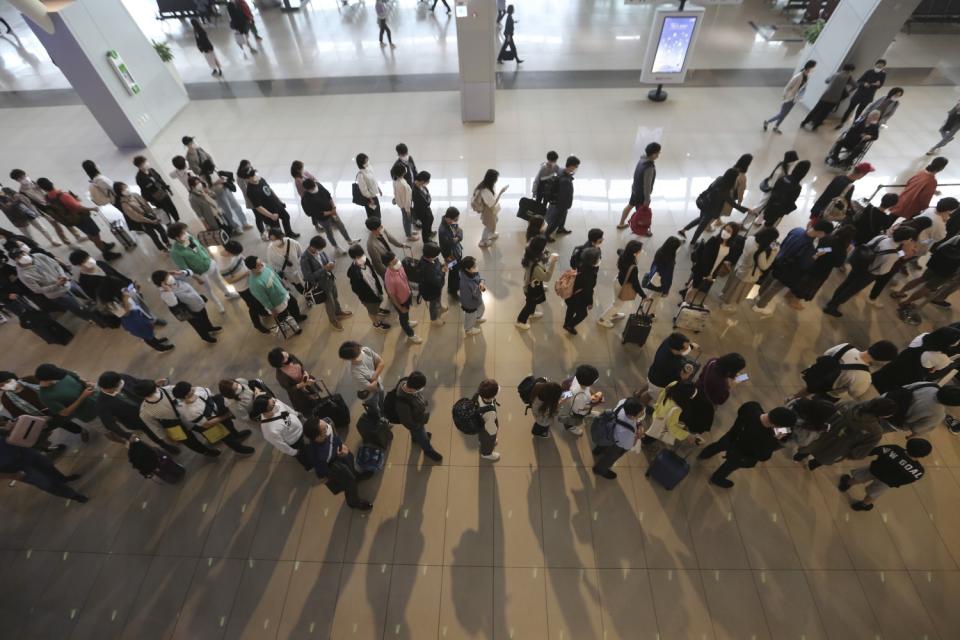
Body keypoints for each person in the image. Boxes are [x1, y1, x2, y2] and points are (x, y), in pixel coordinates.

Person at [823, 225, 918, 316]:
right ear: (907, 240)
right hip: (868, 274)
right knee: (850, 291)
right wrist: (904, 256)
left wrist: (901, 255)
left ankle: (832, 301)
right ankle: (832, 307)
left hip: (859, 265)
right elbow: (883, 271)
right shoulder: (893, 255)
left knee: (846, 284)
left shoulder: (882, 237)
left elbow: (869, 246)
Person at [698, 402, 797, 488]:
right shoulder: (768, 439)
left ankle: (705, 453)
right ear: (777, 426)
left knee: (718, 445)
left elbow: (740, 411)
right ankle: (717, 478)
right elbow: (763, 456)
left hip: (732, 436)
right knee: (729, 466)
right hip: (740, 454)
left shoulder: (753, 406)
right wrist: (776, 438)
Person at [753, 220, 833, 315]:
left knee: (769, 280)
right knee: (774, 288)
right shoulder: (809, 247)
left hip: (778, 260)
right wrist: (816, 256)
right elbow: (805, 265)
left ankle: (759, 296)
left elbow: (783, 243)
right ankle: (759, 305)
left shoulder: (797, 230)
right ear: (821, 233)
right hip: (788, 271)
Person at [799, 398, 898, 471]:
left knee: (812, 445)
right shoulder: (876, 431)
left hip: (826, 431)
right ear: (884, 415)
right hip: (838, 449)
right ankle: (810, 466)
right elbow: (862, 450)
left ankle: (798, 456)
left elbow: (834, 411)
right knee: (822, 458)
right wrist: (851, 455)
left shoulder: (852, 404)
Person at [36, 178, 121, 260]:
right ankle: (106, 253)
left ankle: (103, 245)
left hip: (73, 220)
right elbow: (78, 207)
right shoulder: (62, 195)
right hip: (81, 217)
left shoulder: (47, 197)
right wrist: (92, 208)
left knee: (89, 233)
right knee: (95, 235)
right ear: (51, 183)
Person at [96, 372, 180, 455]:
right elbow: (109, 423)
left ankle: (178, 436)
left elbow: (139, 382)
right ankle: (166, 446)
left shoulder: (122, 378)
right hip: (137, 420)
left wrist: (152, 383)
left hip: (149, 407)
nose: (122, 384)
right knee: (152, 433)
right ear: (109, 388)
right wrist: (127, 435)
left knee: (167, 423)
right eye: (118, 384)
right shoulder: (102, 402)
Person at [0, 371, 89, 449]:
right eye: (1, 385)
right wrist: (40, 419)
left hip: (57, 405)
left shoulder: (30, 379)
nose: (6, 385)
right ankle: (81, 430)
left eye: (7, 381)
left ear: (13, 378)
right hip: (44, 417)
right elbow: (18, 415)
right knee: (64, 424)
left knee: (72, 413)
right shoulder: (6, 399)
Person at [840, 438, 932, 511]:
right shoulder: (918, 470)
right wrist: (894, 483)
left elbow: (875, 450)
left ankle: (846, 484)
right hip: (886, 482)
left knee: (858, 478)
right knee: (873, 494)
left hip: (874, 469)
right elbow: (907, 480)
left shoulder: (894, 449)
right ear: (923, 456)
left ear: (908, 445)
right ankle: (863, 505)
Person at [303, 416, 372, 511]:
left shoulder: (326, 423)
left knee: (351, 465)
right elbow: (321, 471)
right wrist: (328, 478)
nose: (328, 427)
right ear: (318, 437)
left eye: (326, 425)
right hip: (334, 465)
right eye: (325, 429)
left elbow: (334, 435)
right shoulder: (316, 454)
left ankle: (356, 476)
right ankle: (353, 502)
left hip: (341, 453)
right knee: (349, 484)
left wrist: (342, 446)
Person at [167, 222, 237, 312]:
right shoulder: (175, 252)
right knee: (208, 290)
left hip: (209, 263)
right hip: (200, 273)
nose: (186, 233)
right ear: (176, 237)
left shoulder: (190, 238)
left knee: (219, 280)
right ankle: (218, 304)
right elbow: (184, 267)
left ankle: (228, 294)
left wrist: (210, 257)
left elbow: (200, 247)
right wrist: (196, 278)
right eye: (183, 232)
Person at [795, 340, 899, 401]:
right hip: (830, 394)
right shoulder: (864, 376)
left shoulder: (846, 346)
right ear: (882, 360)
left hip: (817, 375)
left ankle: (792, 400)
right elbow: (855, 394)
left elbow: (827, 353)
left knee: (809, 389)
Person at [170, 381, 255, 455]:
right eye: (190, 389)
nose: (194, 388)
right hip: (213, 423)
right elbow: (206, 424)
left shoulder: (198, 390)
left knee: (230, 425)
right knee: (227, 438)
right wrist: (225, 416)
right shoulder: (189, 411)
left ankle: (237, 435)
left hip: (218, 412)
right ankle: (238, 448)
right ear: (186, 395)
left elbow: (212, 396)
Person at [11, 245, 92, 319]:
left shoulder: (39, 256)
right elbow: (37, 289)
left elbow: (56, 265)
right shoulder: (23, 275)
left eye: (22, 253)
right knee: (76, 307)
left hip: (67, 283)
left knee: (86, 293)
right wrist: (57, 285)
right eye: (19, 257)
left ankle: (97, 307)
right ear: (15, 260)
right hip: (57, 294)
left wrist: (63, 275)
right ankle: (91, 319)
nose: (23, 257)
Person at [871, 329, 959, 394]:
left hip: (898, 363)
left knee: (883, 375)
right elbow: (934, 371)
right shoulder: (942, 358)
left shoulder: (923, 336)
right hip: (909, 376)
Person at [9, 169, 83, 245]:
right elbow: (30, 205)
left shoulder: (36, 183)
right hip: (45, 210)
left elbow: (49, 190)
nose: (23, 179)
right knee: (57, 226)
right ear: (17, 181)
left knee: (66, 220)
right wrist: (39, 213)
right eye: (20, 178)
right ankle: (67, 242)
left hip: (53, 203)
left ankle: (78, 236)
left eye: (23, 176)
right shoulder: (22, 192)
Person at [0, 438, 87, 502]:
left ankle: (63, 479)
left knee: (48, 467)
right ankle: (73, 496)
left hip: (23, 452)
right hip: (14, 467)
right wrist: (11, 475)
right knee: (45, 482)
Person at [679, 169, 751, 245]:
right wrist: (746, 209)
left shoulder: (719, 178)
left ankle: (683, 230)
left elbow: (709, 188)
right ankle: (693, 242)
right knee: (702, 226)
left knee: (700, 219)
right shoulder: (725, 191)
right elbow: (732, 204)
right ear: (732, 179)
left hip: (705, 203)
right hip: (711, 210)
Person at [151, 269, 222, 342]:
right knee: (198, 324)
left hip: (198, 302)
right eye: (167, 277)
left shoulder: (175, 279)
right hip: (190, 311)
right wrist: (168, 290)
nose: (170, 277)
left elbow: (190, 272)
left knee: (205, 316)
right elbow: (173, 303)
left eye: (168, 275)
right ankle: (205, 336)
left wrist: (180, 272)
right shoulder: (165, 293)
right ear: (162, 283)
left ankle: (209, 327)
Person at [794, 224, 856, 306]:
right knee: (808, 286)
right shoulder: (841, 250)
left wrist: (828, 250)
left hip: (813, 263)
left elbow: (820, 250)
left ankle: (791, 295)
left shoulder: (828, 237)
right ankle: (795, 301)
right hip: (822, 271)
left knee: (802, 281)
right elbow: (838, 264)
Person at [301, 235, 352, 331]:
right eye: (319, 248)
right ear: (313, 246)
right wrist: (324, 269)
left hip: (330, 279)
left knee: (335, 297)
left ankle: (339, 312)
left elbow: (326, 260)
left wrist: (331, 263)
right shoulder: (305, 259)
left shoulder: (319, 251)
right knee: (330, 303)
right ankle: (333, 321)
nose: (320, 251)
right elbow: (308, 277)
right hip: (321, 285)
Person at [216, 241, 269, 333]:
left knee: (259, 299)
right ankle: (257, 324)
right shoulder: (222, 265)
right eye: (236, 254)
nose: (238, 255)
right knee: (253, 306)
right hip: (243, 288)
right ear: (228, 252)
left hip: (251, 281)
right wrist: (246, 273)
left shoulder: (235, 252)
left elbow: (243, 259)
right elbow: (229, 281)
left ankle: (263, 312)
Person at [721, 227, 779, 311]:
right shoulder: (760, 252)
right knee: (736, 292)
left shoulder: (750, 238)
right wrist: (773, 254)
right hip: (748, 275)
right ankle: (726, 305)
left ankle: (723, 295)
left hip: (739, 266)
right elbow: (764, 267)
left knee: (731, 285)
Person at [389, 371, 443, 462]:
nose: (421, 390)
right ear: (413, 388)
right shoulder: (402, 404)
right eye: (420, 388)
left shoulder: (406, 382)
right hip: (416, 422)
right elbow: (407, 421)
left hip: (416, 416)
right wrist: (417, 426)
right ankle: (428, 451)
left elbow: (416, 396)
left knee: (418, 433)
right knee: (424, 438)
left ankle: (415, 438)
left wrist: (422, 402)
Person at [249, 395, 311, 469]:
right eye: (272, 405)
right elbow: (280, 444)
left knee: (304, 447)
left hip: (299, 430)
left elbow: (286, 407)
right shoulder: (269, 429)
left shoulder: (274, 402)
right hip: (294, 441)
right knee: (303, 456)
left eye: (273, 401)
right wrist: (293, 452)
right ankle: (309, 466)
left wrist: (296, 414)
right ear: (265, 410)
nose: (276, 404)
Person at [245, 256, 307, 331]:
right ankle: (293, 329)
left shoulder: (264, 266)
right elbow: (263, 298)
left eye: (260, 261)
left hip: (284, 293)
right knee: (284, 318)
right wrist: (272, 310)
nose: (262, 264)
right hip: (277, 303)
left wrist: (283, 285)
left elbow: (275, 275)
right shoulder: (255, 283)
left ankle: (297, 317)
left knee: (293, 303)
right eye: (259, 264)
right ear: (252, 269)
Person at [34, 364, 98, 435]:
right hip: (89, 414)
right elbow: (65, 413)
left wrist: (87, 382)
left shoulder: (60, 373)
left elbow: (77, 378)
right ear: (47, 379)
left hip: (98, 399)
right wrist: (83, 396)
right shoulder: (45, 396)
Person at [683, 221, 742, 297]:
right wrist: (707, 274)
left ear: (733, 234)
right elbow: (705, 258)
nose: (725, 232)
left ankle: (685, 298)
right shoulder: (714, 240)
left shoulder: (731, 246)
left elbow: (726, 259)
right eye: (725, 229)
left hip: (713, 271)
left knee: (694, 285)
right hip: (702, 269)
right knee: (694, 290)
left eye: (729, 231)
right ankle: (686, 303)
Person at [591, 398, 646, 479]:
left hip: (608, 428)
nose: (643, 413)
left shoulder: (623, 402)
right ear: (632, 416)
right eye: (641, 412)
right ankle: (600, 470)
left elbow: (636, 420)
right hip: (616, 443)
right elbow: (627, 446)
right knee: (610, 457)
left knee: (604, 443)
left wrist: (639, 424)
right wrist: (638, 436)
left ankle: (597, 451)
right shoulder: (627, 433)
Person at [597, 239, 645, 327]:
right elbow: (635, 284)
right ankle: (602, 319)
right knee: (617, 305)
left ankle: (613, 314)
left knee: (616, 302)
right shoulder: (633, 267)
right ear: (635, 253)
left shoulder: (624, 254)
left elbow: (618, 250)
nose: (641, 251)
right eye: (640, 250)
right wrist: (643, 295)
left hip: (618, 281)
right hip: (622, 286)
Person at [241, 167, 299, 238]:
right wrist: (271, 215)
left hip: (277, 205)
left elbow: (269, 189)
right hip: (269, 212)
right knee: (277, 229)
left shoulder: (261, 179)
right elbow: (258, 207)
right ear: (247, 179)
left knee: (286, 217)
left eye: (255, 173)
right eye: (253, 175)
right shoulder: (251, 191)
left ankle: (289, 233)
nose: (255, 176)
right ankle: (282, 240)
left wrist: (278, 200)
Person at [301, 178, 356, 253]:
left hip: (332, 212)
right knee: (329, 232)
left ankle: (349, 240)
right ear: (307, 189)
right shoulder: (306, 198)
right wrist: (331, 212)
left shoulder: (319, 185)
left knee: (341, 225)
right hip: (323, 219)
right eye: (311, 189)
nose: (314, 189)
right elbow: (316, 213)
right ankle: (336, 247)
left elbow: (329, 196)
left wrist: (334, 207)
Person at [885, 383, 960, 437]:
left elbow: (906, 387)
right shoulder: (939, 414)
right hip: (894, 421)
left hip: (886, 402)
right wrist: (914, 435)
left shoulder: (931, 385)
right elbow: (917, 429)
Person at [516, 235, 558, 330]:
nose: (545, 249)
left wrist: (548, 257)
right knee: (529, 304)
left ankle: (532, 313)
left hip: (530, 282)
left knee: (532, 302)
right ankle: (520, 321)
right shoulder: (535, 267)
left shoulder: (529, 252)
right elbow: (546, 277)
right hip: (530, 287)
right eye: (544, 247)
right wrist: (552, 263)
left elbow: (542, 259)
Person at [114, 181, 170, 251]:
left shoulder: (135, 194)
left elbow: (146, 204)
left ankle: (167, 243)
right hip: (142, 221)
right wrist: (151, 221)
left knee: (162, 230)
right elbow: (135, 216)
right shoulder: (124, 204)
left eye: (126, 187)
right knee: (154, 236)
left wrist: (153, 214)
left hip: (149, 215)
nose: (126, 189)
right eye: (123, 189)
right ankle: (162, 249)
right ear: (119, 193)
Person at [346, 244, 391, 332]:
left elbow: (373, 274)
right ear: (354, 258)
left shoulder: (366, 261)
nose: (362, 257)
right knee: (372, 311)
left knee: (379, 301)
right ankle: (376, 323)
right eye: (359, 256)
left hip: (375, 289)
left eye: (362, 254)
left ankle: (378, 310)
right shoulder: (353, 272)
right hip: (368, 297)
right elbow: (355, 288)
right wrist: (365, 296)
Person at [763, 60, 816, 133]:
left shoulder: (807, 76)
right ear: (809, 67)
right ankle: (767, 122)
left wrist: (800, 95)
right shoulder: (798, 76)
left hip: (795, 98)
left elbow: (803, 87)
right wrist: (785, 96)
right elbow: (788, 86)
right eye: (813, 67)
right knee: (782, 114)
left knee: (785, 114)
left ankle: (776, 127)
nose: (814, 69)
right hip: (789, 97)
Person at [800, 63, 856, 131]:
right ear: (850, 70)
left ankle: (804, 122)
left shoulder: (835, 74)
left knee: (816, 110)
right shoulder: (849, 77)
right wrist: (848, 90)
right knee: (824, 113)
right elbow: (855, 86)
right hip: (835, 99)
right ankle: (815, 126)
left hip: (826, 96)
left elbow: (826, 81)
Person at [198, 158, 249, 232]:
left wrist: (222, 179)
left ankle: (244, 223)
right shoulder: (202, 177)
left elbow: (218, 175)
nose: (212, 169)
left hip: (226, 189)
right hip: (218, 194)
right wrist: (216, 182)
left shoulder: (214, 169)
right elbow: (206, 189)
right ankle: (236, 226)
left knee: (236, 206)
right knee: (227, 211)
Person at [382, 251, 422, 344]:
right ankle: (410, 334)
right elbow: (392, 296)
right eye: (394, 262)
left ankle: (407, 321)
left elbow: (405, 278)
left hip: (407, 295)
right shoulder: (389, 279)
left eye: (396, 259)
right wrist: (400, 307)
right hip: (401, 301)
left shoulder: (399, 267)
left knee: (406, 313)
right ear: (388, 265)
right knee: (403, 317)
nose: (397, 262)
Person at [618, 142, 660, 230]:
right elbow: (647, 186)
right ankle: (643, 230)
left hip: (635, 189)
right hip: (641, 194)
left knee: (630, 205)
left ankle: (621, 223)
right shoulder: (649, 167)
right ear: (653, 154)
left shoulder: (642, 159)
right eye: (657, 153)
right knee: (643, 213)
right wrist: (647, 199)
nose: (658, 155)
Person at [339, 341, 387, 417]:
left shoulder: (366, 350)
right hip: (370, 396)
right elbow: (372, 388)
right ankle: (377, 418)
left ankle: (382, 412)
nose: (360, 348)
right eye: (357, 348)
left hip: (378, 385)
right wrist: (377, 369)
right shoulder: (356, 373)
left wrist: (374, 376)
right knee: (374, 408)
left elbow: (382, 363)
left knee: (381, 401)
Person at [265, 348, 318, 414]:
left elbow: (301, 366)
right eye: (284, 357)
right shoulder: (281, 376)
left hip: (307, 382)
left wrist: (305, 373)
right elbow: (290, 389)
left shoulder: (290, 357)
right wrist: (303, 384)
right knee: (311, 408)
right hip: (300, 394)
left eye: (285, 353)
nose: (287, 355)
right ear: (280, 364)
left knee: (316, 397)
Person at [758, 160, 810, 229]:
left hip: (771, 204)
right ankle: (760, 236)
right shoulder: (797, 187)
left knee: (767, 221)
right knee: (769, 225)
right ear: (804, 173)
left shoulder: (783, 178)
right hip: (778, 210)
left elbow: (774, 190)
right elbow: (791, 201)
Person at [647, 333, 698, 399]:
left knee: (649, 386)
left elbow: (681, 352)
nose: (688, 348)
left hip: (653, 372)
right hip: (658, 384)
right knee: (649, 395)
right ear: (676, 350)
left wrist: (691, 346)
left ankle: (638, 393)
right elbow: (676, 379)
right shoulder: (671, 363)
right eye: (686, 348)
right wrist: (685, 377)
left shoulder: (670, 341)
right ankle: (642, 402)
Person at [562, 246, 600, 335]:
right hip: (579, 298)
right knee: (582, 314)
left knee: (570, 309)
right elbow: (588, 291)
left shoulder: (581, 264)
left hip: (571, 294)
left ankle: (566, 323)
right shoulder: (590, 275)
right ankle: (570, 325)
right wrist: (590, 303)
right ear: (594, 261)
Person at [837, 59, 887, 127]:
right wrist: (864, 84)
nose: (879, 68)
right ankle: (841, 123)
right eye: (878, 66)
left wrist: (878, 85)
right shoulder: (869, 72)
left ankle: (854, 125)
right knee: (849, 109)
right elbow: (859, 81)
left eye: (881, 67)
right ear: (875, 65)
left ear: (883, 67)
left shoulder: (883, 75)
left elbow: (880, 85)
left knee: (859, 112)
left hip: (868, 96)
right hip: (859, 93)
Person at [132, 156, 179, 222]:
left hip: (163, 193)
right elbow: (145, 191)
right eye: (144, 163)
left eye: (146, 162)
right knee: (165, 213)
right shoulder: (139, 178)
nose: (147, 164)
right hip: (156, 198)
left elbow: (160, 179)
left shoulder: (151, 170)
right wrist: (152, 201)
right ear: (139, 166)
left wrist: (167, 188)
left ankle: (177, 221)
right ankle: (170, 224)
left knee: (172, 208)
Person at [560, 364, 602, 436]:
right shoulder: (581, 396)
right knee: (577, 419)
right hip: (578, 411)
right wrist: (596, 401)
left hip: (577, 401)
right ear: (590, 383)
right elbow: (581, 409)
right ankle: (571, 427)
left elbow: (570, 392)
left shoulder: (577, 378)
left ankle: (588, 414)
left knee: (586, 412)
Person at [544, 156, 580, 240]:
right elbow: (563, 196)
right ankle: (547, 235)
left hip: (558, 202)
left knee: (563, 216)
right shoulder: (565, 181)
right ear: (571, 166)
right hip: (561, 204)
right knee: (556, 220)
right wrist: (564, 207)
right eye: (576, 166)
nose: (576, 168)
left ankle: (561, 228)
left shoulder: (561, 170)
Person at [266, 227, 305, 294]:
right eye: (272, 240)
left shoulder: (292, 242)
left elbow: (301, 254)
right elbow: (272, 265)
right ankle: (306, 296)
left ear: (281, 236)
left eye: (275, 239)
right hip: (288, 275)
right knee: (298, 286)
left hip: (299, 270)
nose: (274, 242)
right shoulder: (270, 250)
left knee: (306, 282)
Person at [473, 169, 506, 248]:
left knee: (495, 220)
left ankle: (492, 233)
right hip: (488, 210)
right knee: (489, 225)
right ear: (492, 179)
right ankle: (483, 241)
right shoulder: (485, 191)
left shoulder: (484, 185)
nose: (497, 180)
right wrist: (501, 192)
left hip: (488, 208)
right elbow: (492, 204)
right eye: (496, 178)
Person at [418, 242, 447, 325]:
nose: (437, 257)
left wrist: (441, 266)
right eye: (436, 255)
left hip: (436, 288)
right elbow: (437, 281)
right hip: (431, 291)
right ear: (430, 256)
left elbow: (437, 263)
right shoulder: (427, 269)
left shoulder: (428, 257)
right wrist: (443, 271)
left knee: (438, 298)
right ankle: (434, 319)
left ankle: (440, 306)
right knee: (433, 304)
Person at [438, 207, 464, 298]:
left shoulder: (450, 222)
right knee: (454, 272)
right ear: (449, 218)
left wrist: (458, 237)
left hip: (456, 252)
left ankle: (452, 287)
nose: (456, 222)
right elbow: (447, 245)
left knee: (455, 272)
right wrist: (456, 239)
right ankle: (453, 291)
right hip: (450, 256)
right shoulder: (442, 230)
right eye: (455, 219)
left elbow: (459, 230)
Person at [474, 378, 501, 461]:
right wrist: (493, 435)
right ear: (492, 396)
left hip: (479, 422)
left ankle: (481, 441)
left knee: (482, 436)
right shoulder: (490, 413)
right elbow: (490, 428)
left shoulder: (479, 395)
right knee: (488, 440)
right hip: (487, 429)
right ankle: (486, 453)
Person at [459, 255, 487, 336]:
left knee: (482, 308)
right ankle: (468, 329)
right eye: (474, 266)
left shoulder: (472, 272)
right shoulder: (464, 284)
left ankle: (477, 318)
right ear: (467, 269)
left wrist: (481, 283)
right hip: (470, 305)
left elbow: (479, 277)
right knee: (470, 317)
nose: (476, 267)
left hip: (477, 299)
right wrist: (471, 308)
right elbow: (466, 299)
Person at [391, 163, 417, 242]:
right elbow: (406, 199)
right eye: (405, 169)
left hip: (401, 203)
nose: (406, 169)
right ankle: (409, 235)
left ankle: (409, 231)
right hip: (405, 205)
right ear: (402, 172)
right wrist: (408, 210)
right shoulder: (403, 185)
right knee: (407, 219)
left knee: (406, 219)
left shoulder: (395, 180)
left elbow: (396, 193)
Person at [354, 153, 381, 218]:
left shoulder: (369, 168)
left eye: (367, 160)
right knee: (373, 214)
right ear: (361, 163)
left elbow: (374, 180)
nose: (367, 162)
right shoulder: (360, 175)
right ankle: (374, 227)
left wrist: (378, 189)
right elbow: (364, 190)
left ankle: (378, 225)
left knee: (377, 213)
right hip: (369, 199)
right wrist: (370, 199)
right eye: (365, 161)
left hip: (374, 195)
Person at [412, 171, 436, 241]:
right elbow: (427, 202)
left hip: (426, 209)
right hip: (422, 211)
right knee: (425, 225)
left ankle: (429, 233)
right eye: (428, 180)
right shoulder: (416, 191)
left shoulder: (421, 185)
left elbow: (427, 194)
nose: (429, 182)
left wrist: (428, 196)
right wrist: (429, 197)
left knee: (431, 219)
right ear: (422, 180)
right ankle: (426, 240)